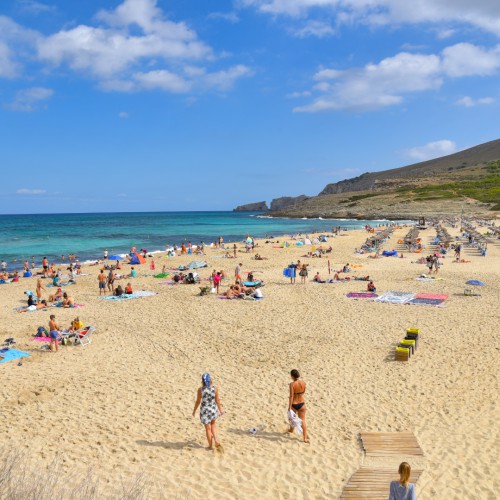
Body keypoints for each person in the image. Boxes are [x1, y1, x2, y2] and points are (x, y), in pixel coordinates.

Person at [192, 373, 224, 451]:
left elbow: (198, 402)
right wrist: (221, 410)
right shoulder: (215, 389)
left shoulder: (200, 390)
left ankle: (210, 446)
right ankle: (216, 440)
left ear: (202, 381)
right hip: (213, 410)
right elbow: (217, 400)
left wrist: (194, 411)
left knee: (208, 429)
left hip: (205, 411)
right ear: (210, 380)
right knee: (213, 425)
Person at [288, 369, 308, 443]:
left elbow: (291, 396)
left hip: (294, 403)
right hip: (302, 403)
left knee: (291, 419)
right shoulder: (303, 383)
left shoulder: (292, 384)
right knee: (303, 421)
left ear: (292, 376)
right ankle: (305, 438)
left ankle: (291, 430)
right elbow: (303, 392)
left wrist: (289, 407)